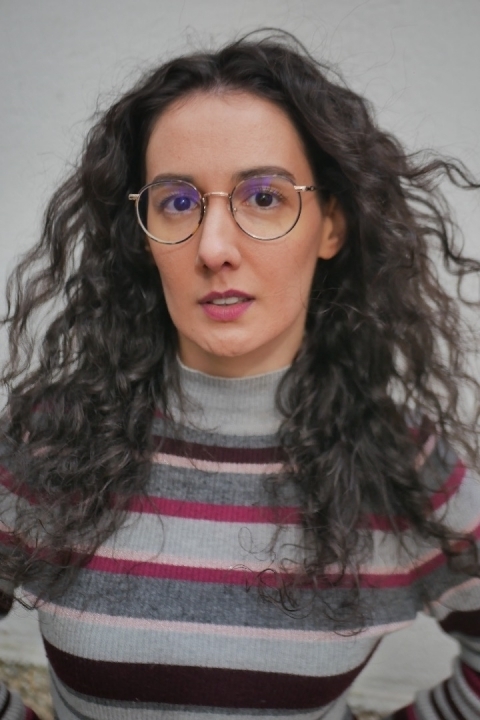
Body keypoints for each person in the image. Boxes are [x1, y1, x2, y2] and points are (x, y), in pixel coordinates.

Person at [0, 28, 479, 720]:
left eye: (264, 197)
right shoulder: (53, 443)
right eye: (178, 203)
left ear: (331, 225)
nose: (215, 247)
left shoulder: (396, 462)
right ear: (142, 234)